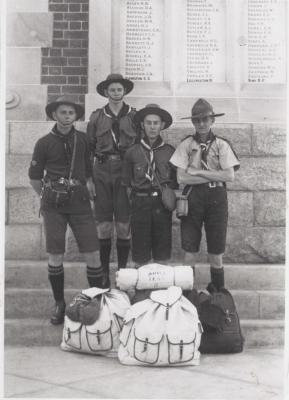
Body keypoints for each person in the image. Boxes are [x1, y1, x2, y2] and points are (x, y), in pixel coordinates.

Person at [29, 96, 104, 325]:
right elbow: (34, 178)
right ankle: (59, 303)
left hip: (80, 203)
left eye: (71, 113)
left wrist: (85, 189)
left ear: (75, 116)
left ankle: (95, 302)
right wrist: (49, 195)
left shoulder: (83, 140)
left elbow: (89, 169)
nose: (67, 116)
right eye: (63, 112)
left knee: (92, 252)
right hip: (54, 207)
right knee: (55, 254)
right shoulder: (43, 142)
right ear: (54, 115)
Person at [170, 98, 240, 292]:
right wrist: (211, 175)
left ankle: (218, 294)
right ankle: (188, 294)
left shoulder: (222, 145)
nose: (201, 124)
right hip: (192, 198)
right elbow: (182, 177)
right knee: (189, 250)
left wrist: (199, 172)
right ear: (193, 122)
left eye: (205, 120)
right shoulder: (186, 144)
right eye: (197, 120)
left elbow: (229, 175)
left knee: (216, 252)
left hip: (216, 198)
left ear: (212, 121)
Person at [87, 73, 137, 286]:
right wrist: (88, 178)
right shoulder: (97, 117)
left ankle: (123, 273)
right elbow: (88, 149)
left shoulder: (134, 116)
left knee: (124, 225)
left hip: (126, 170)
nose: (116, 93)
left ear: (124, 91)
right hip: (102, 170)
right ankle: (105, 273)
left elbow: (141, 148)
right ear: (106, 92)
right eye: (112, 90)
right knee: (104, 225)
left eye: (119, 89)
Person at [122, 104, 177, 266]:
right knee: (140, 250)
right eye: (148, 123)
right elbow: (127, 183)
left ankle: (161, 288)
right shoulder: (132, 151)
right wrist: (136, 201)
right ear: (142, 125)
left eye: (156, 123)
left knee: (162, 249)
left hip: (161, 203)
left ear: (162, 125)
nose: (152, 127)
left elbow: (174, 182)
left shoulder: (170, 151)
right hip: (140, 203)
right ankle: (142, 289)